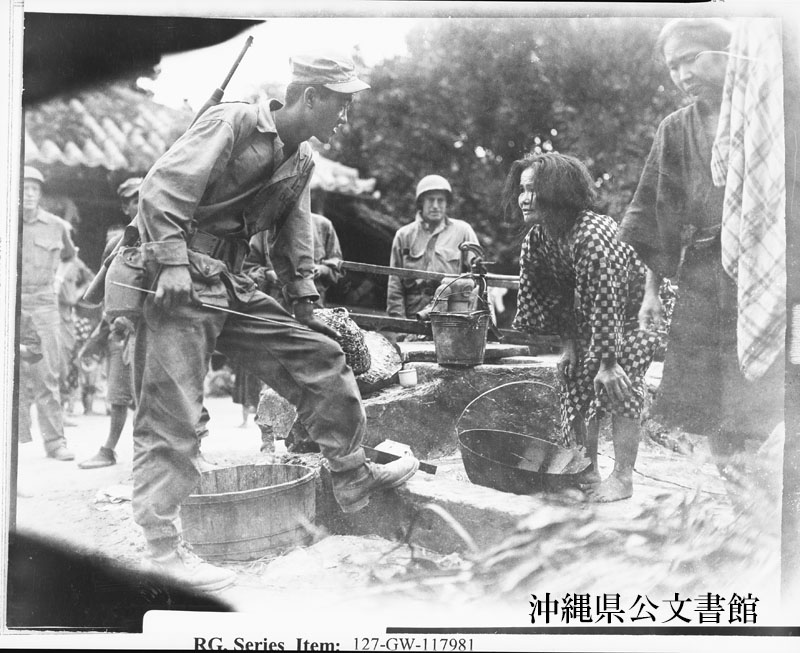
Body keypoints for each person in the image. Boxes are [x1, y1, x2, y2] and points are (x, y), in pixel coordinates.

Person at [130, 52, 418, 591]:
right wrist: (169, 262)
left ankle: (352, 476)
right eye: (343, 104)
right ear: (311, 97)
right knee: (173, 416)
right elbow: (159, 188)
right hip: (181, 277)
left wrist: (306, 303)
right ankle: (162, 552)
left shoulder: (302, 160)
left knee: (320, 356)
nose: (346, 118)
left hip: (232, 282)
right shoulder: (233, 121)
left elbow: (294, 231)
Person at [618, 18, 785, 468]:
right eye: (673, 65)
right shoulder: (675, 129)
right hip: (703, 274)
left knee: (763, 387)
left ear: (728, 53)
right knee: (707, 399)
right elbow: (659, 211)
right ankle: (730, 483)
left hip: (762, 270)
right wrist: (651, 293)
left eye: (691, 58)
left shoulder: (769, 112)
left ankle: (766, 496)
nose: (683, 74)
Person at [507, 153, 673, 502]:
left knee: (618, 387)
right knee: (576, 383)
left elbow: (607, 302)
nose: (524, 198)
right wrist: (569, 347)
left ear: (557, 191)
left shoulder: (593, 234)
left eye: (534, 189)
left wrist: (608, 364)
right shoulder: (538, 240)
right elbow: (555, 300)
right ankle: (586, 469)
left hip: (636, 313)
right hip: (593, 319)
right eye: (522, 190)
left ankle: (623, 477)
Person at [77, 178, 143, 469]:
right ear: (125, 206)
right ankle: (109, 449)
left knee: (152, 395)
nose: (141, 204)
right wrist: (104, 332)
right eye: (134, 200)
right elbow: (105, 292)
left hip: (153, 328)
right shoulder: (116, 244)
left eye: (145, 197)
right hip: (122, 328)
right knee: (118, 396)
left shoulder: (166, 236)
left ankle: (149, 455)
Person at [18, 166, 77, 461]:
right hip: (10, 305)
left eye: (34, 189)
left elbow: (69, 257)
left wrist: (56, 282)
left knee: (48, 375)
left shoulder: (55, 226)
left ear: (40, 194)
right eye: (24, 187)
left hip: (43, 304)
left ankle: (55, 443)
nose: (28, 194)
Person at [386, 175, 480, 319]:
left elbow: (478, 277)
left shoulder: (463, 232)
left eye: (440, 200)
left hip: (450, 313)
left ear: (447, 203)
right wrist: (399, 324)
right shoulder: (404, 235)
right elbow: (395, 285)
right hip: (414, 313)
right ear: (421, 203)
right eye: (430, 200)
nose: (435, 205)